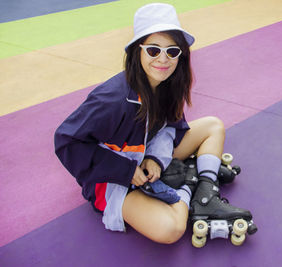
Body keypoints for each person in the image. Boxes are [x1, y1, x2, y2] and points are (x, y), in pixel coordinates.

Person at [54, 3, 251, 245]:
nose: (163, 59)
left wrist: (156, 158)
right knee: (171, 229)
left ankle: (205, 193)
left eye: (172, 51)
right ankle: (189, 179)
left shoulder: (168, 84)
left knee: (213, 126)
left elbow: (171, 127)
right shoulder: (112, 100)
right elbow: (66, 142)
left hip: (145, 153)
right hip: (113, 179)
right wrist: (125, 171)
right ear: (137, 51)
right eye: (153, 50)